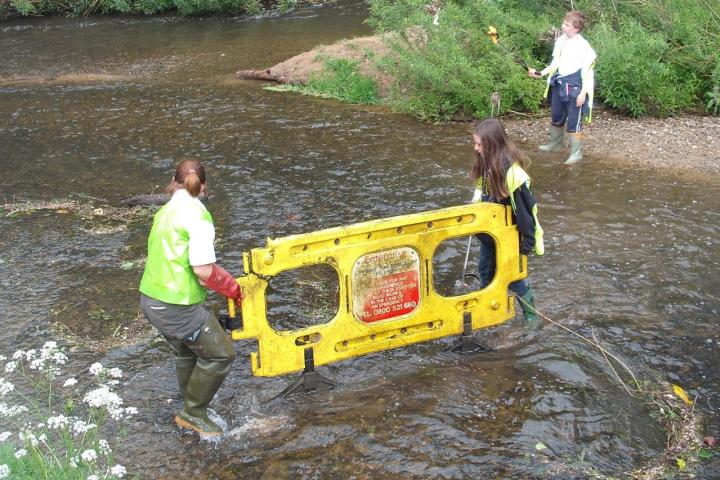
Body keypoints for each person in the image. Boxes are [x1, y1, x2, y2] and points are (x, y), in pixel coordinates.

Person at [139, 158, 243, 436]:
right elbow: (202, 271)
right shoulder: (198, 216)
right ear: (204, 186)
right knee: (221, 355)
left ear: (174, 182)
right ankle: (193, 413)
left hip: (150, 299)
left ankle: (188, 401)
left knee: (185, 349)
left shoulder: (165, 211)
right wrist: (232, 287)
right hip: (175, 306)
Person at [471, 118, 543, 330]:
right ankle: (489, 312)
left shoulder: (513, 173)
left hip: (510, 236)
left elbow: (527, 211)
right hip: (489, 234)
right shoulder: (485, 162)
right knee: (485, 270)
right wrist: (477, 196)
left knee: (511, 278)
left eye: (478, 144)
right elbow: (481, 187)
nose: (475, 148)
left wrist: (526, 243)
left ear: (492, 144)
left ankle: (532, 317)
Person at [528, 11, 596, 164]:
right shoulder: (560, 41)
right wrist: (540, 73)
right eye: (564, 22)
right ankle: (555, 144)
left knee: (574, 121)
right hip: (559, 84)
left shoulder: (584, 45)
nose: (562, 26)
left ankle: (576, 153)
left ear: (576, 27)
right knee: (557, 115)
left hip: (576, 87)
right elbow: (555, 64)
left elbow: (588, 73)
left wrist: (583, 93)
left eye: (566, 24)